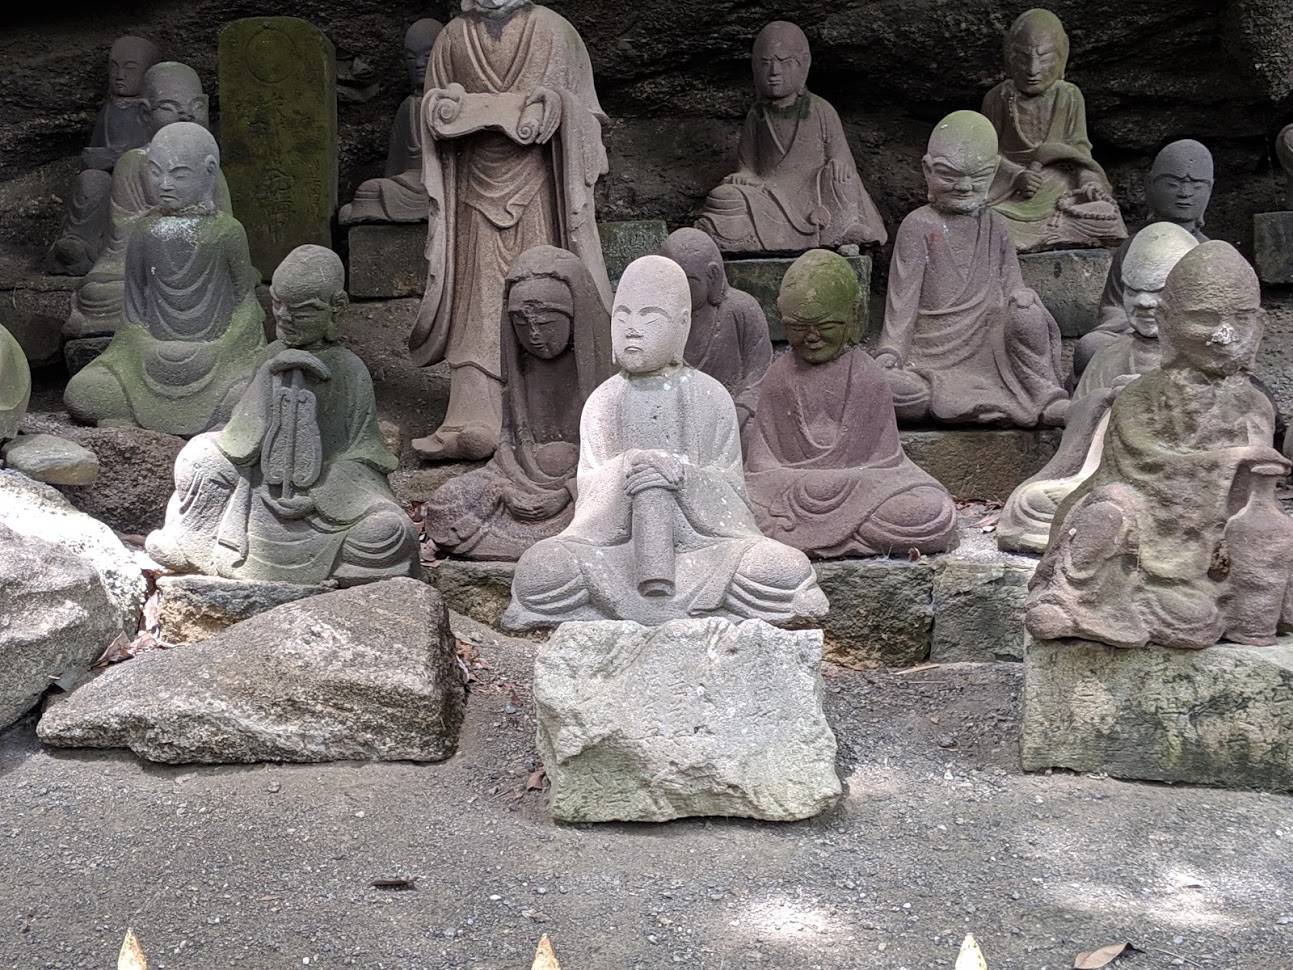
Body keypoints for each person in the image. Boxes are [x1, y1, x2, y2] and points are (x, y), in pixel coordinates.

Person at [503, 255, 828, 630]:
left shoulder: (711, 397)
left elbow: (732, 499)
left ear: (682, 325)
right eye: (622, 316)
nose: (632, 329)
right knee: (540, 570)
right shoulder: (602, 402)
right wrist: (624, 471)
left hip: (703, 552)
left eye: (649, 316)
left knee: (785, 569)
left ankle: (652, 603)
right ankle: (658, 601)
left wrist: (682, 477)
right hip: (618, 556)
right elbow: (589, 499)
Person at [1027, 241, 1293, 649]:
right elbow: (1142, 465)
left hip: (1207, 550)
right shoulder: (1141, 396)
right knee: (1112, 505)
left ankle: (1156, 608)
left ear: (1259, 325)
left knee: (1205, 613)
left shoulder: (1255, 405)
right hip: (1145, 535)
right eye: (1203, 318)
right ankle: (1071, 596)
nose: (1224, 334)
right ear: (1168, 323)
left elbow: (1248, 495)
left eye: (1240, 319)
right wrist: (1229, 459)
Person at [408, 0, 612, 461]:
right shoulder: (452, 38)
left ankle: (554, 412)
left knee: (540, 295)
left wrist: (559, 109)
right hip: (474, 193)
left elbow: (590, 119)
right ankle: (471, 415)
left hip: (538, 186)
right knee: (476, 302)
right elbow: (431, 109)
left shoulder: (556, 32)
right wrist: (439, 109)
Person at [146, 245, 420, 586]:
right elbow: (238, 437)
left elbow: (363, 456)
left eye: (302, 312)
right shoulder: (269, 356)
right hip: (255, 493)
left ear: (336, 308)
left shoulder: (350, 371)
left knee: (389, 531)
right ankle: (193, 543)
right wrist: (267, 377)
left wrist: (315, 496)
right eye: (278, 306)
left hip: (322, 511)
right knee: (199, 458)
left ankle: (348, 569)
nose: (286, 319)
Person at [996, 222, 1199, 553]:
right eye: (1133, 291)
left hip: (1173, 483)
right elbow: (1077, 424)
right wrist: (1105, 401)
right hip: (1102, 479)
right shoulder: (1108, 354)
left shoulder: (1199, 358)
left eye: (1158, 291)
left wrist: (1154, 398)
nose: (1145, 303)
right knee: (1026, 504)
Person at [745, 250, 958, 558]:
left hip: (859, 490)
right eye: (798, 327)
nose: (812, 337)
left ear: (853, 317)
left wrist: (833, 486)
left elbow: (885, 462)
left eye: (826, 325)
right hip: (790, 494)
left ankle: (822, 536)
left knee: (932, 511)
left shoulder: (866, 374)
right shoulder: (779, 375)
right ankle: (847, 536)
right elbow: (761, 465)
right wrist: (805, 485)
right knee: (735, 501)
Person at [63, 123, 265, 436]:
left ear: (209, 173)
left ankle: (218, 415)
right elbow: (133, 315)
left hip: (216, 363)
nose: (165, 184)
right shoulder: (144, 232)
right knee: (85, 392)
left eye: (179, 174)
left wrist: (220, 348)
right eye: (156, 172)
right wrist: (145, 348)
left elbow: (246, 305)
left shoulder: (228, 232)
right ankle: (127, 413)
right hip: (149, 362)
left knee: (251, 395)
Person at [876, 110, 1068, 427]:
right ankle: (985, 404)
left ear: (993, 171)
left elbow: (1012, 292)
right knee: (888, 389)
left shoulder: (997, 226)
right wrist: (889, 356)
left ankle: (1047, 398)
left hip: (992, 357)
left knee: (1027, 314)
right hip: (932, 362)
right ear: (927, 170)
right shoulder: (918, 226)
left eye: (977, 177)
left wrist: (1023, 302)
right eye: (949, 175)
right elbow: (901, 309)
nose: (964, 186)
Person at [424, 246, 612, 560]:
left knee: (620, 505)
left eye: (547, 325)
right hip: (519, 479)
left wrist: (567, 492)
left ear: (576, 316)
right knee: (447, 501)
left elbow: (614, 460)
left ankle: (535, 544)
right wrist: (505, 491)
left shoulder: (605, 375)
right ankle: (544, 545)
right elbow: (507, 444)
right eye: (523, 328)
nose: (535, 335)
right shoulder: (523, 368)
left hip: (581, 487)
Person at [695, 21, 886, 253]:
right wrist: (744, 177)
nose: (774, 71)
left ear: (803, 65)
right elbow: (747, 167)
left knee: (842, 177)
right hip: (769, 193)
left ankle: (844, 228)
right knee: (724, 197)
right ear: (756, 68)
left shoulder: (820, 109)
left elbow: (842, 158)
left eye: (784, 62)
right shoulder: (757, 116)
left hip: (813, 195)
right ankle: (745, 234)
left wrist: (839, 164)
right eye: (766, 63)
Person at [65, 62, 223, 340]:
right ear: (144, 113)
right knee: (96, 295)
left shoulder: (211, 170)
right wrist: (166, 223)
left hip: (197, 268)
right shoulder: (132, 164)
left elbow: (224, 229)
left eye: (195, 107)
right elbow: (122, 237)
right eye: (169, 107)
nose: (185, 116)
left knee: (219, 286)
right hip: (141, 268)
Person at [980, 9, 1126, 252]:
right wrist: (1017, 176)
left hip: (1060, 188)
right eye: (1023, 58)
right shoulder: (996, 99)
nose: (1033, 69)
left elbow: (1079, 151)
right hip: (1012, 193)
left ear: (1062, 57)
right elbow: (985, 157)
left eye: (1045, 58)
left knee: (1107, 215)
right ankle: (1044, 233)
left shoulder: (1069, 96)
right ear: (1008, 57)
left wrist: (1088, 182)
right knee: (984, 219)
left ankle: (1054, 232)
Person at [1072, 139, 1213, 378]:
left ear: (1210, 190)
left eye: (1197, 186)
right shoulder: (1135, 245)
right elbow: (1113, 305)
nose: (1185, 193)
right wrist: (1131, 324)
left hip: (1186, 339)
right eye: (1172, 184)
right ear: (1151, 187)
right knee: (1090, 347)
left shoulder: (1209, 252)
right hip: (1134, 334)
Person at [46, 36, 162, 275]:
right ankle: (77, 242)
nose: (120, 75)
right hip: (108, 176)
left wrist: (124, 158)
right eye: (113, 66)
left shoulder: (155, 112)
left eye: (130, 68)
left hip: (137, 183)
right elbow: (95, 149)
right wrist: (98, 157)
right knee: (91, 180)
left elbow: (159, 155)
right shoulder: (108, 111)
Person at [658, 228, 772, 447]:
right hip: (674, 417)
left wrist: (737, 414)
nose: (675, 290)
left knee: (754, 438)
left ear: (712, 275)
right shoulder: (659, 318)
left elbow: (759, 376)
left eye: (685, 281)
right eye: (668, 280)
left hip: (732, 416)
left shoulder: (742, 309)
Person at [338, 19, 442, 225]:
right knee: (370, 190)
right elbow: (394, 167)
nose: (419, 64)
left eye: (427, 56)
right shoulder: (408, 106)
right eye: (411, 58)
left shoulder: (449, 104)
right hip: (408, 184)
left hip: (439, 185)